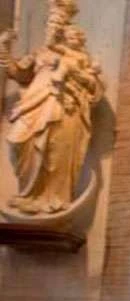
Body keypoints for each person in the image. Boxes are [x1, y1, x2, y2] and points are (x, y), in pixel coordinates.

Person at [0, 0, 101, 215]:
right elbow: (19, 73)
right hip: (33, 105)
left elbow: (94, 87)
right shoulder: (40, 54)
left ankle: (52, 198)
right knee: (18, 141)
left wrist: (71, 72)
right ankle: (28, 194)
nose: (53, 28)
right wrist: (4, 48)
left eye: (59, 24)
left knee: (56, 153)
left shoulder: (77, 57)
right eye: (50, 23)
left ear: (66, 29)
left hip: (64, 110)